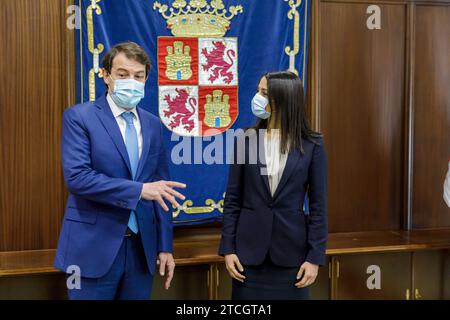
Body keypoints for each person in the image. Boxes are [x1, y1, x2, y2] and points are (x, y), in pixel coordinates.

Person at [54, 42, 186, 300]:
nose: (131, 82)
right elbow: (78, 178)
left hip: (141, 250)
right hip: (92, 248)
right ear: (106, 75)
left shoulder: (153, 124)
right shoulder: (79, 117)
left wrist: (165, 246)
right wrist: (139, 190)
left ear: (146, 78)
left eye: (138, 76)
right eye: (123, 74)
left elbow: (162, 190)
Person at [219, 71, 328, 300]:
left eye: (264, 93)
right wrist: (228, 249)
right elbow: (232, 199)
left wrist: (314, 258)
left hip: (293, 260)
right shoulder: (245, 139)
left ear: (284, 99)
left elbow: (319, 207)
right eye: (259, 91)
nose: (257, 97)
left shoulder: (312, 145)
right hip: (247, 259)